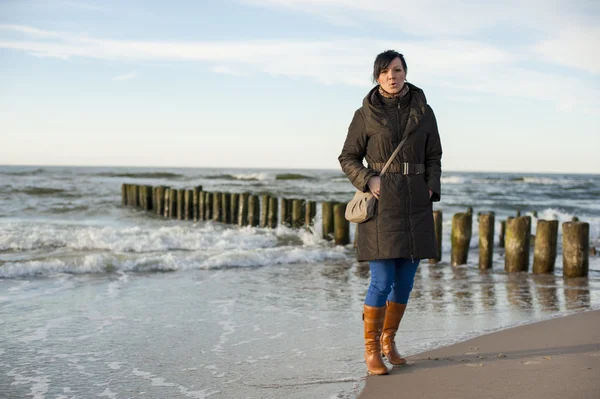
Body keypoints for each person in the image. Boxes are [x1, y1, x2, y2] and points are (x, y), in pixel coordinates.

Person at [338, 50, 442, 375]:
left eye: (396, 70)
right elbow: (347, 157)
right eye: (384, 72)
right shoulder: (364, 114)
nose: (391, 77)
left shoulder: (424, 111)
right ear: (377, 77)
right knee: (381, 281)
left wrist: (429, 187)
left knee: (406, 283)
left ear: (405, 72)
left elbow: (434, 155)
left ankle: (389, 341)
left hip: (415, 204)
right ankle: (371, 351)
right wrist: (369, 178)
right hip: (381, 205)